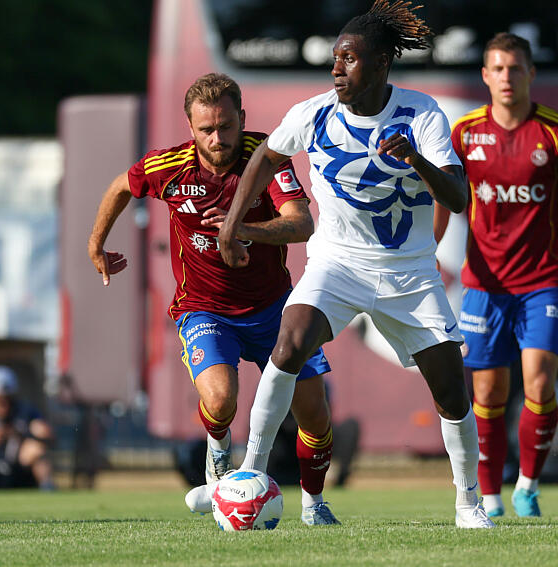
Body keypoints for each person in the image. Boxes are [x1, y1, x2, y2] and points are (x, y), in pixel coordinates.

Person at [201, 0, 493, 529]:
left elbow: (456, 198)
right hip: (337, 265)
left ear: (381, 64)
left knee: (452, 391)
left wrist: (416, 159)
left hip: (409, 273)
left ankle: (468, 504)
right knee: (288, 344)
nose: (337, 68)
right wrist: (230, 225)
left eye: (349, 59)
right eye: (335, 58)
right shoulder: (312, 112)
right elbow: (266, 158)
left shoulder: (421, 112)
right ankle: (251, 472)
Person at [87, 73, 339, 525]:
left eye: (226, 125)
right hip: (204, 309)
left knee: (315, 417)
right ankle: (218, 458)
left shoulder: (267, 157)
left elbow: (301, 224)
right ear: (190, 127)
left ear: (242, 118)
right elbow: (121, 186)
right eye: (207, 129)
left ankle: (315, 505)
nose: (218, 138)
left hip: (274, 309)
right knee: (221, 400)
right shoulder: (168, 167)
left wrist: (239, 228)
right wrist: (96, 243)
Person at [438, 32, 558, 518]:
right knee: (487, 392)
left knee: (539, 384)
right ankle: (489, 496)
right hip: (483, 286)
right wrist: (428, 253)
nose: (507, 77)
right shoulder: (465, 132)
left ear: (531, 74)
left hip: (543, 282)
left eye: (516, 68)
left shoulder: (557, 131)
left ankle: (528, 485)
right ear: (485, 76)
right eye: (498, 68)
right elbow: (444, 197)